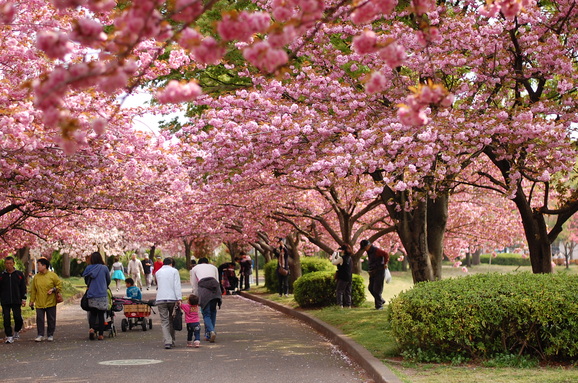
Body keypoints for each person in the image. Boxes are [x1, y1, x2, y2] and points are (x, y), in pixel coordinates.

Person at [29, 257, 62, 342]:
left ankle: (50, 334)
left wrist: (54, 289)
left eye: (39, 265)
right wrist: (32, 301)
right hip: (39, 301)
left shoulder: (52, 276)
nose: (37, 266)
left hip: (50, 301)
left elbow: (59, 285)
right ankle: (40, 334)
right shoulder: (36, 277)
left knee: (51, 319)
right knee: (39, 319)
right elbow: (33, 290)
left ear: (44, 266)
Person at [190, 257, 221, 343]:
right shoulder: (214, 267)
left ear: (198, 263)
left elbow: (195, 284)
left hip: (204, 292)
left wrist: (195, 297)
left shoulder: (195, 268)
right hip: (215, 291)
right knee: (213, 311)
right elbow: (217, 281)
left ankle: (211, 331)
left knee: (206, 313)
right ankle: (209, 333)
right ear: (208, 262)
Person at [82, 251, 112, 341]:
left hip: (92, 294)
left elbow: (86, 281)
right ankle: (101, 335)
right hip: (102, 294)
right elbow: (108, 280)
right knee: (101, 314)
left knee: (93, 313)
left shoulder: (88, 268)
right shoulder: (104, 268)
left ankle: (92, 329)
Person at [155, 257, 182, 349]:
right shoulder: (174, 271)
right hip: (172, 298)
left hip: (160, 298)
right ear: (171, 263)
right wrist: (179, 298)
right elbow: (176, 285)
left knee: (164, 321)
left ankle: (167, 341)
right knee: (171, 319)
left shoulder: (158, 272)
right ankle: (172, 340)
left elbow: (158, 285)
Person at [0, 256, 27, 343]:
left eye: (10, 263)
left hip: (16, 300)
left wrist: (23, 298)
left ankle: (16, 330)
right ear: (5, 264)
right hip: (5, 300)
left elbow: (23, 287)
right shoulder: (2, 275)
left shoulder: (19, 274)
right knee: (6, 318)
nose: (8, 265)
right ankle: (9, 336)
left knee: (18, 318)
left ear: (13, 264)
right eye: (7, 263)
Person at [360, 240, 390, 310]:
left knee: (377, 289)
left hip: (379, 271)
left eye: (364, 247)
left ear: (368, 245)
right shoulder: (369, 251)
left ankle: (379, 306)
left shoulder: (377, 250)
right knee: (371, 288)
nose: (364, 249)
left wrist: (385, 263)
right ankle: (381, 300)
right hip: (373, 271)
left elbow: (386, 254)